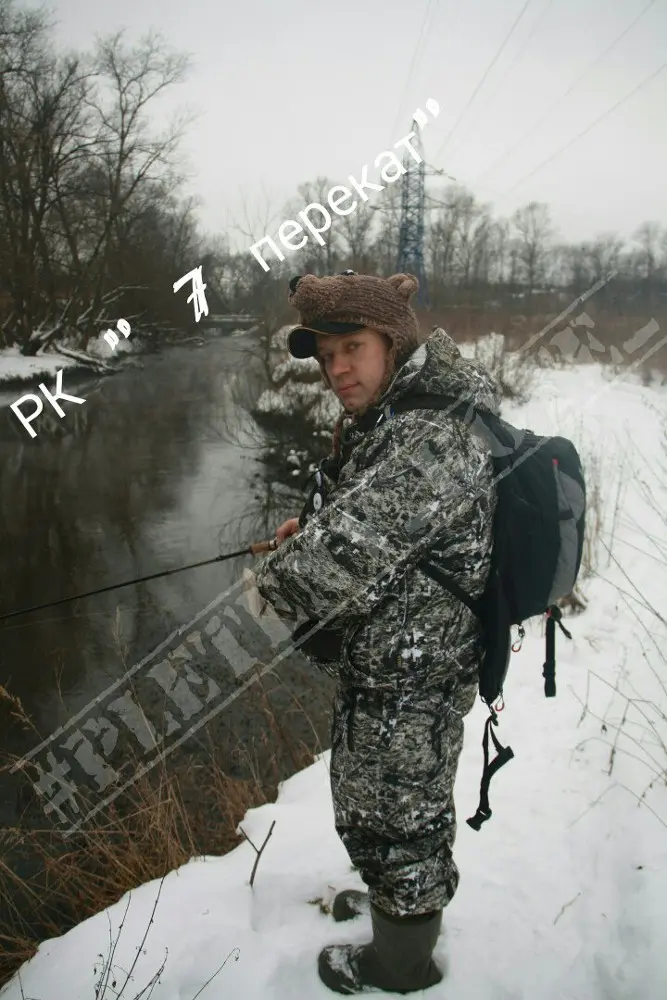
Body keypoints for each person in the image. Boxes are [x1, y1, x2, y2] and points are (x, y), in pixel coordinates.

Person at [255, 270, 501, 995]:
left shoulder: (428, 434)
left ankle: (400, 966)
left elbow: (331, 570)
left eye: (351, 348)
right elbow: (368, 531)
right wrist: (315, 530)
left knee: (400, 823)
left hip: (414, 680)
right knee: (377, 808)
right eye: (326, 355)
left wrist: (274, 572)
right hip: (395, 665)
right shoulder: (401, 413)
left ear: (392, 342)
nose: (335, 370)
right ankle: (399, 911)